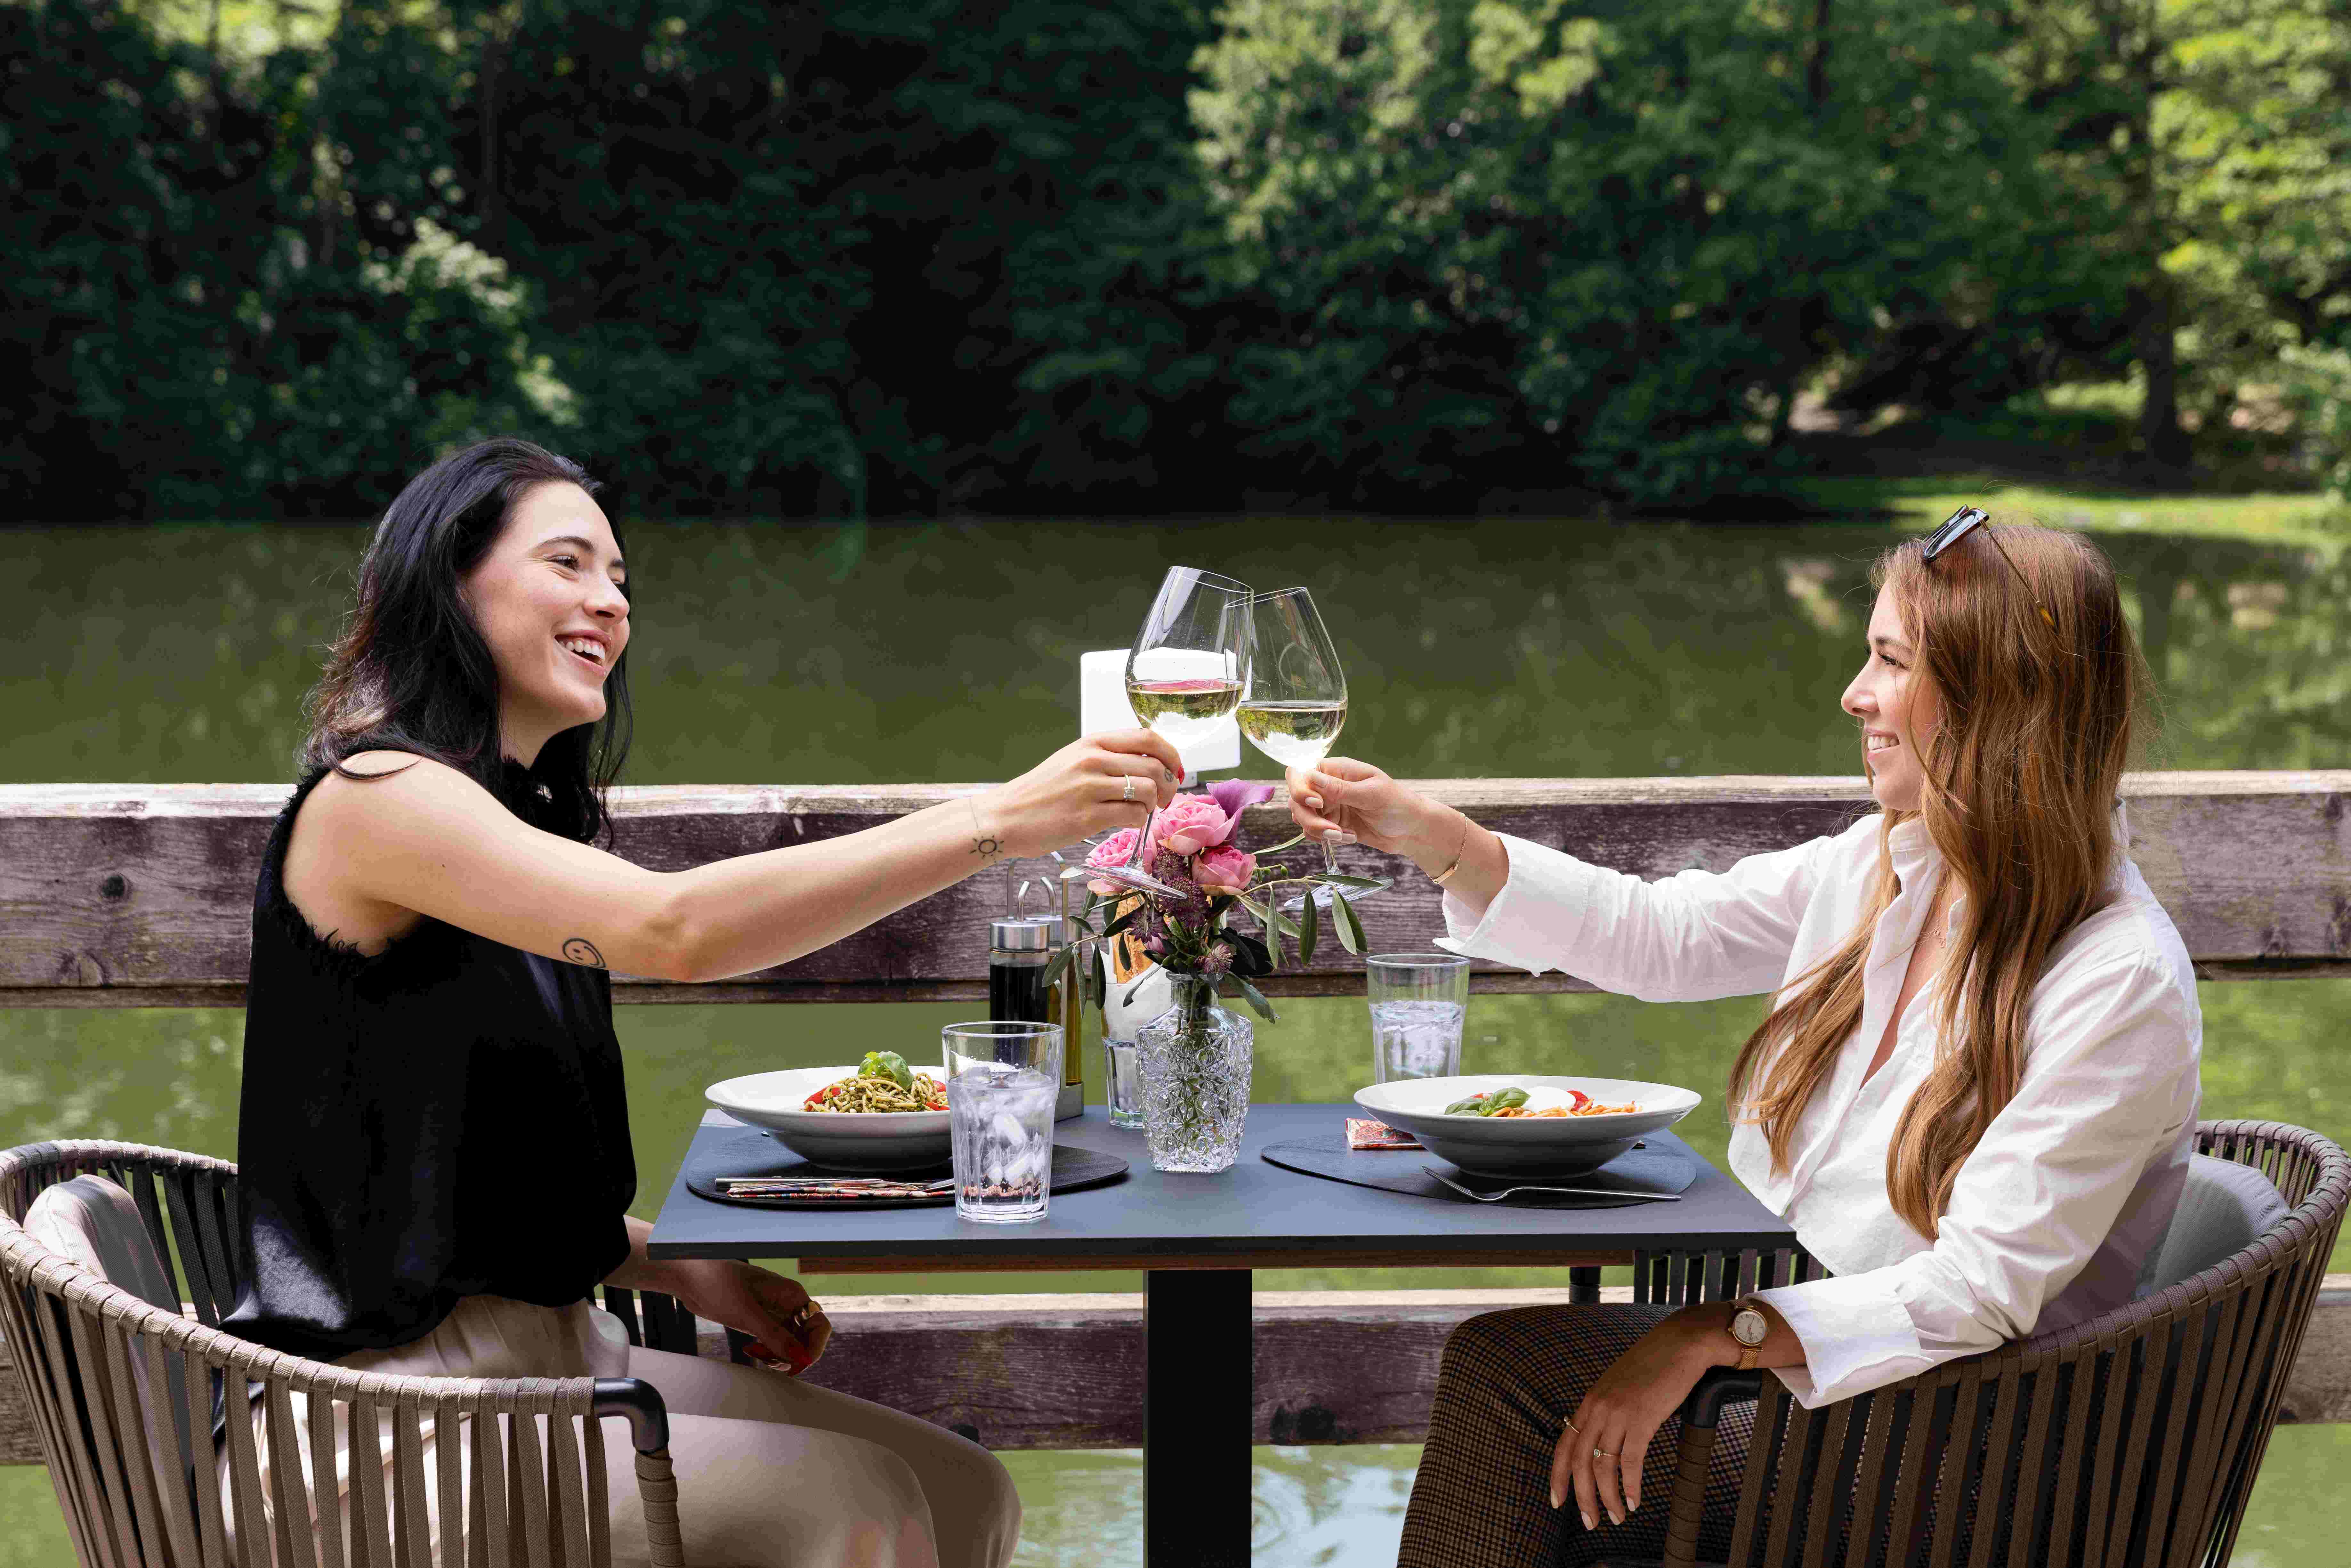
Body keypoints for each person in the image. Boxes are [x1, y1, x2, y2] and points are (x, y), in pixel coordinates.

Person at [223, 437, 1183, 1568]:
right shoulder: (378, 798)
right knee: (860, 1505)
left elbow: (476, 1197)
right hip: (380, 1433)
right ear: (449, 580)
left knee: (960, 1488)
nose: (609, 604)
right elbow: (676, 931)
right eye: (569, 564)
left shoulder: (514, 825)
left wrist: (690, 1269)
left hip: (556, 1370)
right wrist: (1001, 819)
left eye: (620, 578)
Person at [1281, 513, 2200, 1566]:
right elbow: (1660, 934)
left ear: (2001, 705)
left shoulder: (2119, 979)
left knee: (1519, 1392)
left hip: (1960, 1449)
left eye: (1891, 662)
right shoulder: (1892, 863)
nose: (1855, 693)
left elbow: (1977, 1289)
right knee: (1507, 1362)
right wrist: (1437, 841)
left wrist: (1718, 1331)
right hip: (1849, 1388)